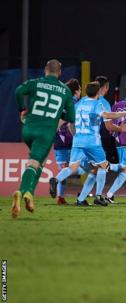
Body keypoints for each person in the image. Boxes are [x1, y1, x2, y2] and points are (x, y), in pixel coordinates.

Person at [51, 82, 126, 206]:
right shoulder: (97, 104)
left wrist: (59, 130)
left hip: (78, 141)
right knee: (103, 167)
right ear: (98, 93)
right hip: (92, 142)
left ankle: (56, 180)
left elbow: (68, 122)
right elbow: (106, 115)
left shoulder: (79, 103)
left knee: (73, 168)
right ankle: (98, 196)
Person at [11, 59, 76, 218]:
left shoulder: (36, 82)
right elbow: (72, 116)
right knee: (34, 163)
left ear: (45, 70)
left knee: (38, 160)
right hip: (45, 132)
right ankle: (22, 192)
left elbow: (18, 92)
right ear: (60, 73)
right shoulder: (65, 90)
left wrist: (22, 109)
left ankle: (29, 196)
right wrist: (59, 113)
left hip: (28, 128)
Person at [51, 78, 83, 204]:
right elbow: (71, 123)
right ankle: (83, 195)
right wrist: (76, 136)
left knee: (63, 169)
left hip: (59, 141)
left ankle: (60, 197)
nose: (80, 92)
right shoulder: (76, 104)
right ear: (76, 91)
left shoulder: (59, 104)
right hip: (73, 141)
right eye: (80, 89)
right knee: (86, 166)